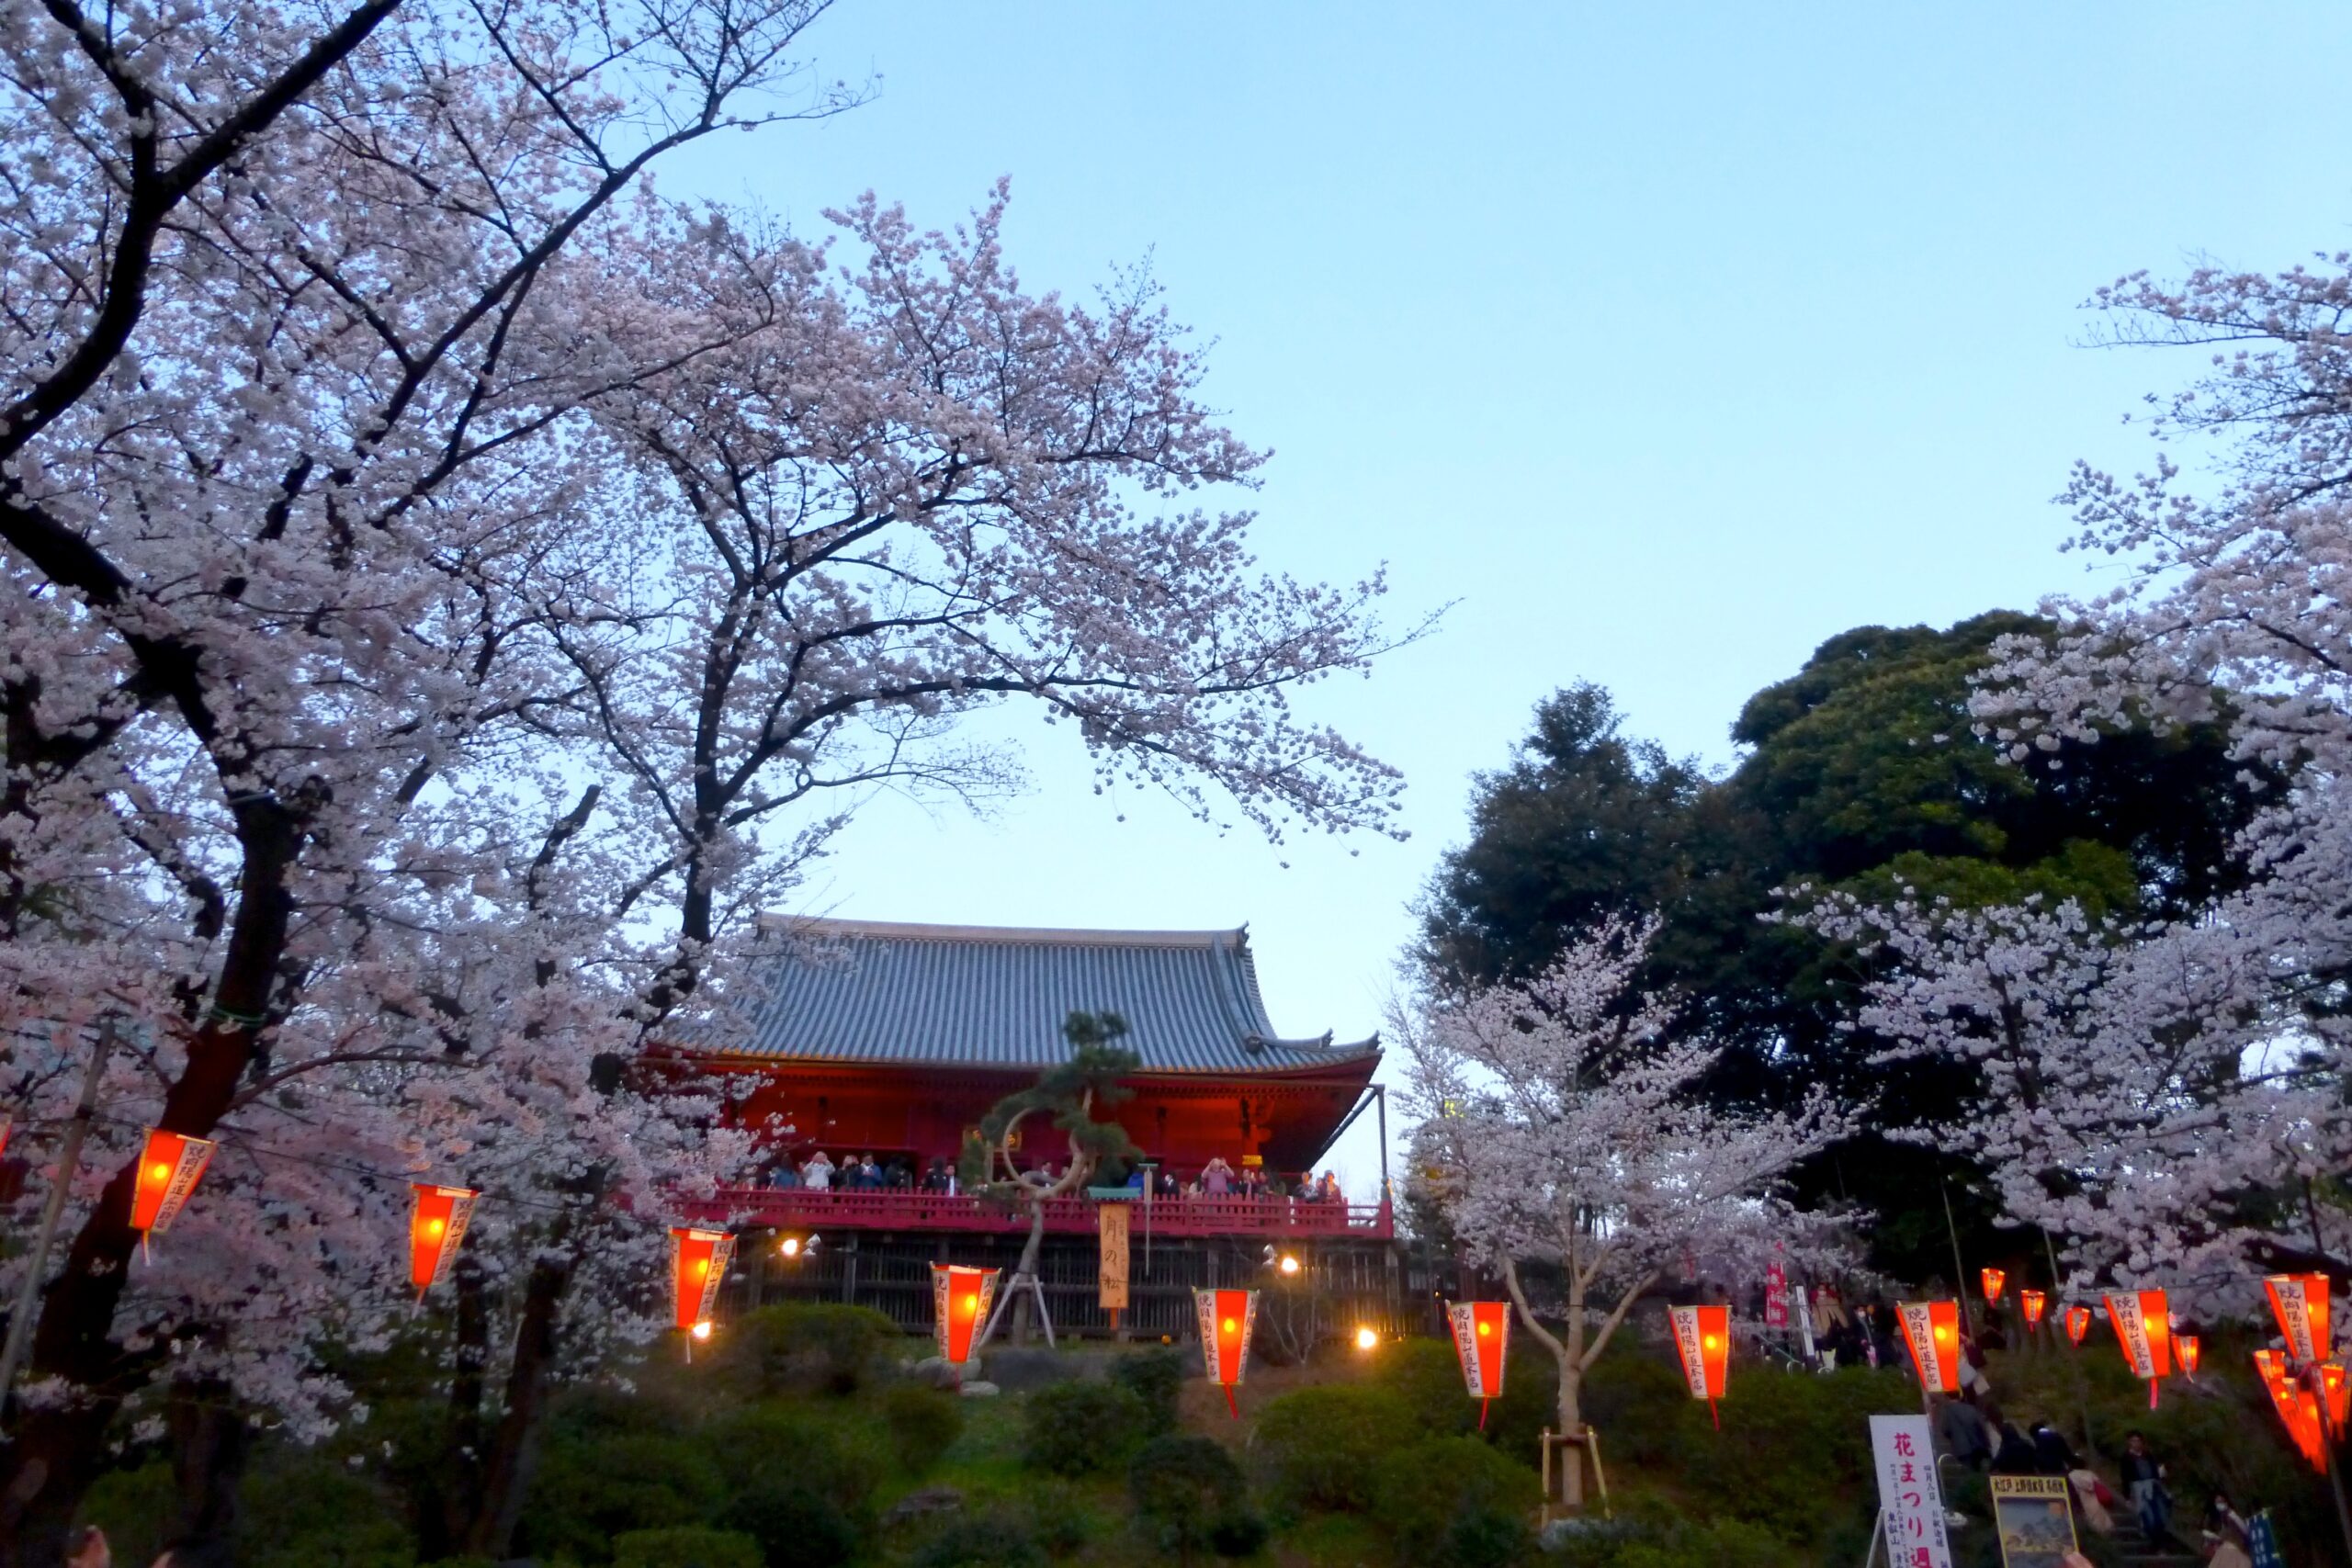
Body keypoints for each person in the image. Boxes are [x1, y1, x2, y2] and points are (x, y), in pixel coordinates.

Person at [2120, 1430, 2173, 1548]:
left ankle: (2161, 1538)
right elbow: (2124, 1477)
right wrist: (2127, 1496)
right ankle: (2152, 1538)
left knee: (2161, 1514)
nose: (2136, 1443)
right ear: (2129, 1442)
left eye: (2138, 1441)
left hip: (2153, 1487)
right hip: (2138, 1488)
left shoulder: (2147, 1455)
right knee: (2147, 1515)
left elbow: (2155, 1472)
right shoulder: (2126, 1457)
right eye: (2133, 1441)